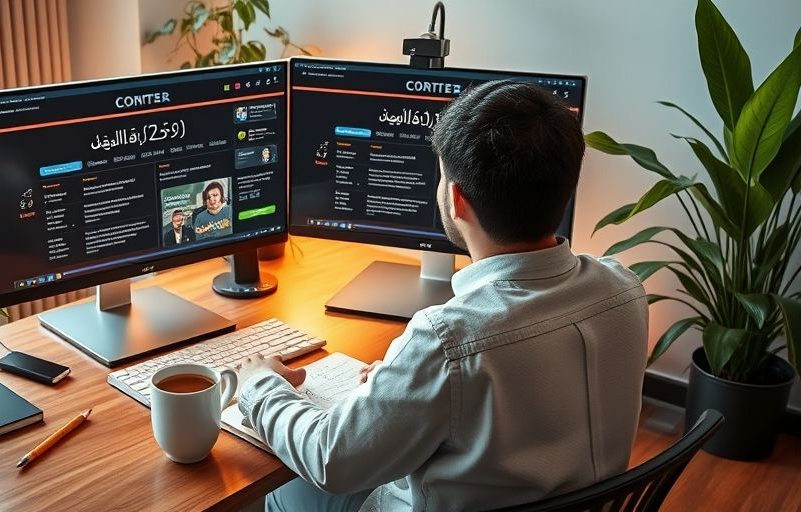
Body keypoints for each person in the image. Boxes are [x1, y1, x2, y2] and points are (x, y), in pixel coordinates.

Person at [235, 81, 648, 511]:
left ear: (456, 199)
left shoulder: (447, 340)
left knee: (282, 490)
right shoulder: (626, 288)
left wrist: (259, 386)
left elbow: (330, 460)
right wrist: (409, 385)